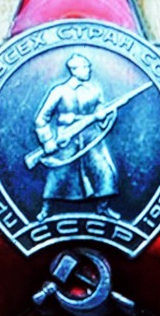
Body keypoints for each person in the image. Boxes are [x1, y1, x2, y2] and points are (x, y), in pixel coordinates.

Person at [33, 52, 120, 220]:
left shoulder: (94, 90)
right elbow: (41, 119)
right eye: (85, 67)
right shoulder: (59, 91)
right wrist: (47, 141)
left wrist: (102, 115)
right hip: (67, 138)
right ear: (74, 70)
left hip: (92, 138)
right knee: (59, 174)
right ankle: (46, 210)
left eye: (89, 66)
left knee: (104, 170)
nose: (89, 70)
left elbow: (100, 109)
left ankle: (103, 208)